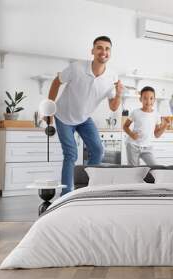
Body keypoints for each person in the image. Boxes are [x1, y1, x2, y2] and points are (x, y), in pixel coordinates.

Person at [48, 36, 123, 196]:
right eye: (99, 47)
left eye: (107, 49)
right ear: (93, 51)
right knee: (71, 154)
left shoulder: (112, 76)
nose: (103, 51)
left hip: (84, 119)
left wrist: (119, 94)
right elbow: (57, 81)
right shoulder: (76, 68)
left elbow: (113, 106)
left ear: (110, 53)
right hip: (63, 116)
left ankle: (88, 188)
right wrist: (50, 107)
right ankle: (66, 195)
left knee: (97, 150)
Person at [123, 86, 170, 166]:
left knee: (155, 167)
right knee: (133, 170)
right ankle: (136, 178)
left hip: (147, 147)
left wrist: (165, 126)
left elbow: (156, 134)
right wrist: (131, 134)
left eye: (151, 98)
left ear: (154, 99)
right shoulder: (135, 112)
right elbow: (125, 126)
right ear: (140, 99)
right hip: (133, 145)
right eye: (145, 98)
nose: (148, 101)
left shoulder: (156, 115)